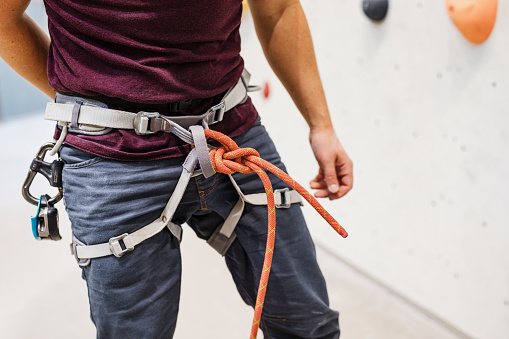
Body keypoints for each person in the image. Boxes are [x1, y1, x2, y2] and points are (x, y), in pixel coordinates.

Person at [0, 0, 353, 337]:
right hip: (112, 158)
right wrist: (90, 109)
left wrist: (320, 125)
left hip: (229, 130)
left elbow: (278, 9)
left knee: (307, 323)